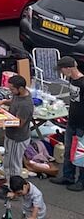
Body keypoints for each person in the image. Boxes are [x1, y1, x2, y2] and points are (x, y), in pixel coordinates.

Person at [0, 75, 34, 193]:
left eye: (12, 89)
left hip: (18, 138)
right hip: (10, 135)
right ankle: (9, 183)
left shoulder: (26, 105)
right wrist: (2, 102)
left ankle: (15, 189)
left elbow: (19, 124)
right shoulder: (18, 95)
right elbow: (13, 102)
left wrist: (0, 120)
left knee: (14, 165)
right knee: (8, 161)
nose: (11, 91)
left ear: (21, 88)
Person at [51, 56, 84, 191]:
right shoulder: (72, 79)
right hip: (72, 121)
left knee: (81, 153)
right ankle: (68, 176)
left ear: (69, 68)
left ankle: (81, 181)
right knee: (68, 150)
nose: (61, 72)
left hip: (82, 124)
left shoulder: (82, 83)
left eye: (62, 70)